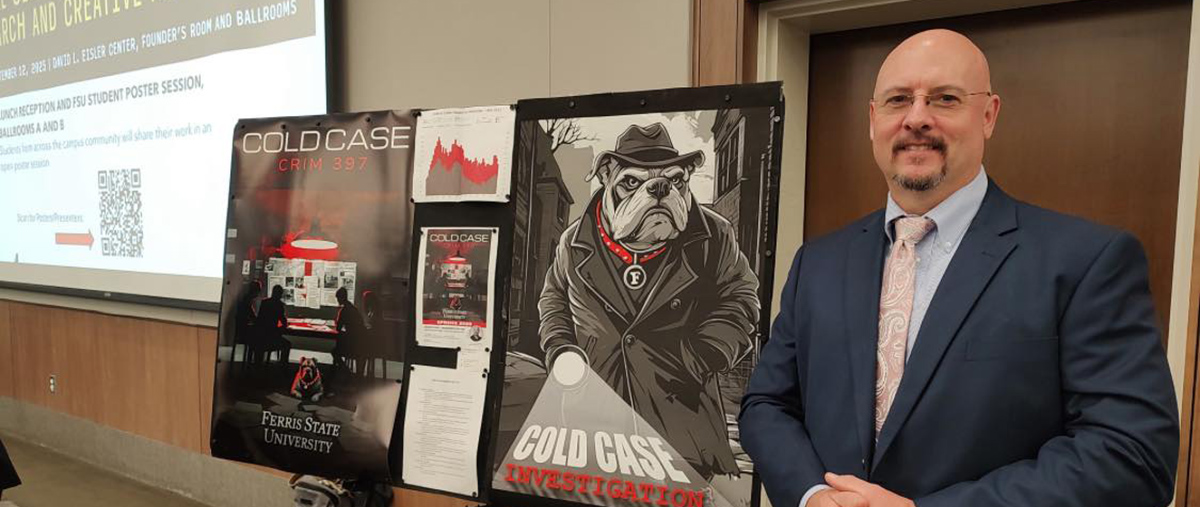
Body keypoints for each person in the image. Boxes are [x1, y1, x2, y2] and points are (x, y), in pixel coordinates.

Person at [739, 29, 1179, 507]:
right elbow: (768, 404)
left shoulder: (1086, 262)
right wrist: (813, 494)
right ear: (872, 119)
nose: (916, 118)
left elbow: (1132, 456)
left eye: (945, 99)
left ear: (988, 115)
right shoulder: (818, 262)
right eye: (898, 100)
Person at [539, 123, 760, 479]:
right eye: (631, 182)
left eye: (674, 181)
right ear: (606, 177)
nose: (658, 191)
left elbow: (741, 297)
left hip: (681, 426)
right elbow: (554, 299)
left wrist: (703, 355)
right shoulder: (573, 242)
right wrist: (561, 350)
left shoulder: (714, 236)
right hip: (593, 425)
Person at [254, 285, 292, 365]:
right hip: (272, 338)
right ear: (280, 294)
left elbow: (260, 319)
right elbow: (283, 322)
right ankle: (283, 366)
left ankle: (257, 365)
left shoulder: (264, 302)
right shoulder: (279, 305)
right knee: (287, 345)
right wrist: (282, 327)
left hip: (261, 337)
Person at [333, 287, 365, 374]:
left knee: (335, 352)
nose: (337, 301)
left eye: (338, 298)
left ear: (341, 298)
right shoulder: (352, 308)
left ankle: (345, 371)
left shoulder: (344, 310)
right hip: (358, 342)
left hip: (351, 344)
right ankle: (346, 371)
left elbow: (338, 328)